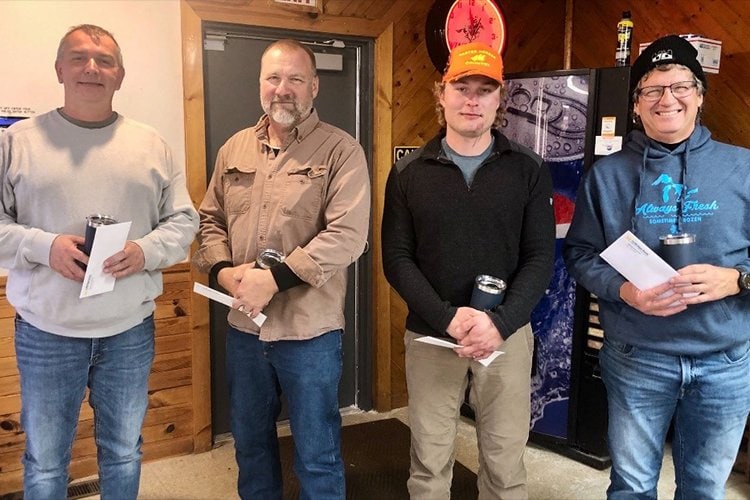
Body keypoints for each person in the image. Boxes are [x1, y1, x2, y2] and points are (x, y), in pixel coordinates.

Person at [0, 24, 198, 499]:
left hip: (128, 331)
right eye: (79, 57)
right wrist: (44, 246)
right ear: (59, 69)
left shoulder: (153, 144)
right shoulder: (17, 142)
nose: (92, 68)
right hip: (47, 332)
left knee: (124, 451)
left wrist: (144, 251)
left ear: (121, 75)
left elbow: (184, 221)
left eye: (104, 60)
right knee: (46, 464)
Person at [564, 34, 750, 499]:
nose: (667, 99)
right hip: (636, 358)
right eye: (653, 89)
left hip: (725, 362)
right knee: (630, 487)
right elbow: (580, 255)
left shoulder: (742, 168)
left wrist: (738, 279)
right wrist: (625, 291)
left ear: (700, 97)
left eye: (680, 86)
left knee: (705, 489)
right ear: (636, 106)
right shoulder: (606, 177)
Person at [192, 39, 370, 499]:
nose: (283, 89)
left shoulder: (340, 151)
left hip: (309, 333)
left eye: (295, 79)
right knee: (251, 448)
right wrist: (224, 272)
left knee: (317, 453)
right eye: (273, 78)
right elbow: (209, 219)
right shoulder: (234, 148)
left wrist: (274, 278)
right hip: (244, 331)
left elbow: (347, 236)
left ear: (313, 86)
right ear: (260, 87)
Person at [381, 41, 555, 499]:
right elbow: (396, 259)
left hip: (506, 335)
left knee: (504, 463)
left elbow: (540, 257)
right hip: (432, 334)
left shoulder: (528, 170)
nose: (471, 99)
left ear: (500, 100)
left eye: (484, 89)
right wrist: (447, 317)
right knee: (430, 461)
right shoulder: (409, 173)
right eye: (461, 87)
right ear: (441, 93)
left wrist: (499, 323)